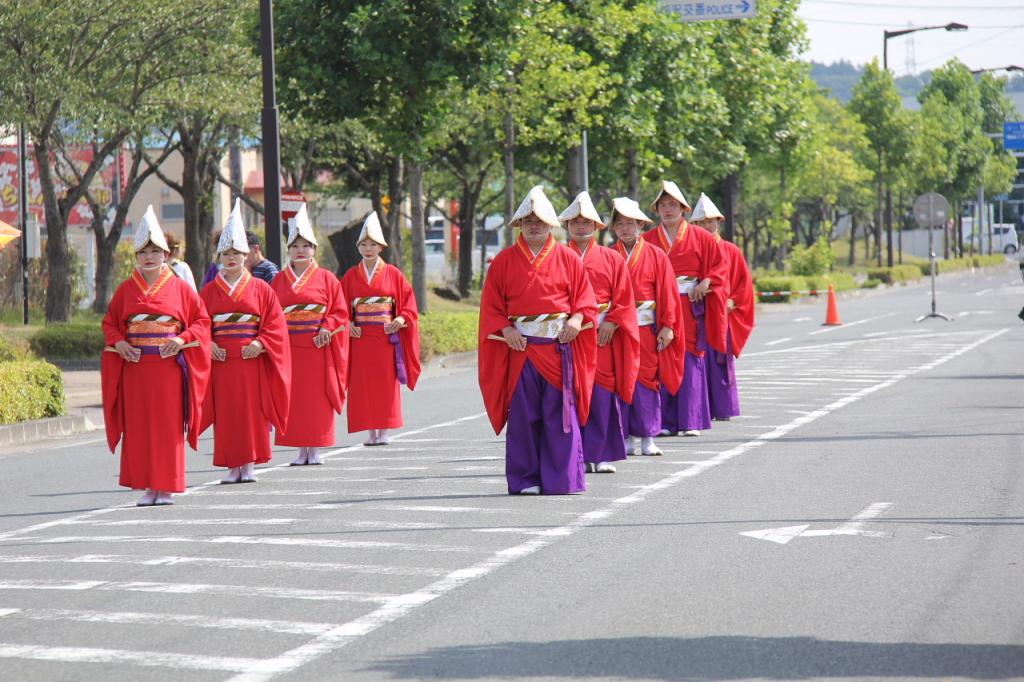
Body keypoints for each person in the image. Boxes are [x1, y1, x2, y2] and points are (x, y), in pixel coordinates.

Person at [478, 186, 597, 495]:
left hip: (558, 349)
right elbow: (491, 305)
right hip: (522, 350)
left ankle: (562, 479)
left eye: (540, 220)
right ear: (519, 223)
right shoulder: (503, 261)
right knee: (523, 418)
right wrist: (505, 329)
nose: (534, 225)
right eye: (528, 220)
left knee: (560, 418)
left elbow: (585, 301)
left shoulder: (569, 258)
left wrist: (575, 319)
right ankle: (525, 478)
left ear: (550, 225)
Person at [101, 205, 211, 506]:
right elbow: (110, 322)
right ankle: (148, 484)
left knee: (166, 426)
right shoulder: (126, 290)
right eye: (143, 252)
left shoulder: (181, 289)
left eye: (155, 251)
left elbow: (201, 321)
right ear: (136, 256)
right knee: (139, 426)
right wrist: (120, 342)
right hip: (136, 367)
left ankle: (167, 484)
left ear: (166, 254)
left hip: (167, 368)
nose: (149, 257)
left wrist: (181, 338)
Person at [199, 199, 291, 484]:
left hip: (251, 360)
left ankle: (249, 463)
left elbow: (275, 323)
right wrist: (208, 344)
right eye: (226, 253)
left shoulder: (261, 288)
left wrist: (262, 343)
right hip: (222, 361)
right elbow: (199, 323)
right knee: (227, 414)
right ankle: (231, 464)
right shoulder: (209, 291)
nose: (231, 258)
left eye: (237, 252)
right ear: (219, 256)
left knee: (252, 412)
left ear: (246, 255)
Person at [561, 191, 639, 474]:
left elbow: (624, 296)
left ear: (596, 226)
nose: (581, 226)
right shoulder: (559, 255)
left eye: (586, 222)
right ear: (567, 225)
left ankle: (602, 453)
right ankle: (575, 454)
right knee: (571, 393)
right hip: (568, 335)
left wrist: (613, 321)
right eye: (575, 222)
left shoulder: (612, 258)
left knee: (602, 393)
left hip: (602, 334)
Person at [643, 180, 728, 437]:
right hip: (658, 307)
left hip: (689, 304)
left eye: (673, 205)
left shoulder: (701, 236)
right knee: (660, 359)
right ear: (656, 210)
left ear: (683, 209)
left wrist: (706, 280)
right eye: (663, 205)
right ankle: (665, 421)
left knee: (691, 358)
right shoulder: (646, 239)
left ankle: (691, 419)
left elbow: (719, 265)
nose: (668, 210)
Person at [270, 204, 349, 465]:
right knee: (292, 397)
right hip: (289, 348)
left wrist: (327, 327)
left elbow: (340, 310)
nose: (300, 251)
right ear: (288, 250)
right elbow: (271, 314)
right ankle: (298, 448)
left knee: (316, 398)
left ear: (314, 249)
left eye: (305, 246)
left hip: (318, 347)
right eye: (294, 246)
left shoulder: (327, 279)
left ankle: (315, 446)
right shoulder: (279, 281)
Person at [609, 197, 686, 456]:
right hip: (618, 329)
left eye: (630, 223)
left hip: (646, 327)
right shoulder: (609, 254)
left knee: (647, 381)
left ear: (640, 225)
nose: (625, 229)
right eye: (619, 224)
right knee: (622, 379)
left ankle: (648, 436)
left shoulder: (656, 254)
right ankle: (626, 436)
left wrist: (668, 325)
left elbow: (667, 292)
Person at [340, 211, 422, 446]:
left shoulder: (393, 274)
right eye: (364, 244)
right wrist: (347, 323)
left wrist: (401, 319)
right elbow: (339, 306)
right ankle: (370, 431)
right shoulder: (350, 276)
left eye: (373, 244)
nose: (368, 248)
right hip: (361, 339)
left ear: (381, 247)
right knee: (362, 386)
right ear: (358, 247)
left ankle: (384, 430)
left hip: (386, 338)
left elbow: (409, 304)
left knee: (385, 385)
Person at [690, 193, 754, 421]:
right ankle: (701, 408)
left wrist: (732, 301)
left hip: (722, 315)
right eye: (702, 222)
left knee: (720, 361)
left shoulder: (730, 250)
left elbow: (744, 284)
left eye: (711, 221)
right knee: (697, 363)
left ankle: (724, 408)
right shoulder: (691, 249)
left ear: (718, 222)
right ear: (694, 224)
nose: (707, 225)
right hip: (695, 313)